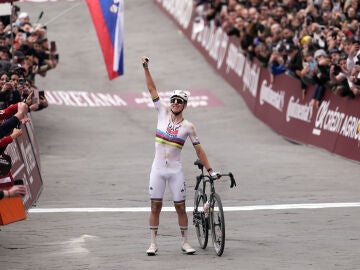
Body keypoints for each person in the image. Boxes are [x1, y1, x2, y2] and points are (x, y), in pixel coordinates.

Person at [141, 56, 220, 256]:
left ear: (184, 105)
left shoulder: (188, 127)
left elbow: (199, 150)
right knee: (155, 207)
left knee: (181, 209)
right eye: (174, 100)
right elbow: (152, 90)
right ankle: (153, 243)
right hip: (157, 169)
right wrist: (146, 68)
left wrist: (210, 170)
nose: (176, 103)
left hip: (175, 171)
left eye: (180, 101)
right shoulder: (162, 112)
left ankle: (185, 242)